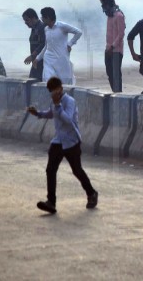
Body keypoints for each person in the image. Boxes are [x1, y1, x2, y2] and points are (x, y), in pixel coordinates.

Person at [27, 76, 98, 213]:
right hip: (58, 141)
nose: (53, 94)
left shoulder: (69, 101)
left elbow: (67, 120)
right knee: (50, 170)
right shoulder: (54, 102)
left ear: (60, 88)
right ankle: (51, 202)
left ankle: (91, 193)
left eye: (55, 90)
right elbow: (51, 114)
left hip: (71, 141)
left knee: (77, 170)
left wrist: (58, 105)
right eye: (51, 92)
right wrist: (37, 113)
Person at [25, 7, 82, 86]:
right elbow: (46, 46)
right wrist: (37, 59)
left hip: (62, 60)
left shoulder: (62, 26)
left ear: (48, 18)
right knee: (48, 81)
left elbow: (78, 32)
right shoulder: (46, 29)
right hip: (49, 59)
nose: (42, 19)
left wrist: (70, 44)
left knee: (65, 84)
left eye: (43, 17)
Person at [95, 0, 125, 92]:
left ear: (111, 5)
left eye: (106, 7)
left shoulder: (119, 16)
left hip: (116, 50)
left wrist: (112, 48)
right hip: (108, 49)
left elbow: (121, 34)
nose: (105, 10)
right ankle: (115, 92)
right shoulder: (110, 13)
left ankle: (118, 94)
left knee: (116, 74)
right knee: (109, 73)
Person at [22, 8, 46, 81]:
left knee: (35, 82)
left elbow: (43, 44)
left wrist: (32, 56)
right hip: (36, 62)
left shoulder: (41, 27)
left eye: (27, 20)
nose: (25, 22)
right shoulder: (34, 28)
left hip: (42, 62)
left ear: (33, 18)